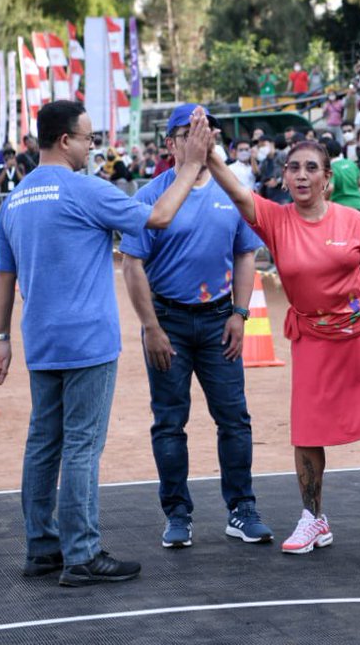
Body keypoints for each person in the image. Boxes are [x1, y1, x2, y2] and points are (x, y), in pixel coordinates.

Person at [0, 100, 212, 587]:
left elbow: (4, 274)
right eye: (88, 138)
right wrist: (190, 165)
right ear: (64, 141)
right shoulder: (84, 190)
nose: (93, 146)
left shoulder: (16, 198)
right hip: (87, 339)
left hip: (41, 338)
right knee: (83, 446)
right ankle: (82, 553)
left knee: (43, 443)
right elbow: (159, 219)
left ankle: (41, 546)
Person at [202, 138, 360, 556]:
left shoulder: (354, 220)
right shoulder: (274, 219)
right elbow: (236, 190)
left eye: (311, 168)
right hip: (313, 339)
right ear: (285, 177)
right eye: (293, 168)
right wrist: (208, 155)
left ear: (327, 178)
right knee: (306, 430)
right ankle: (314, 519)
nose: (301, 175)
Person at [119, 105, 272, 551]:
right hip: (169, 321)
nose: (200, 139)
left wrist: (240, 314)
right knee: (169, 422)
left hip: (218, 319)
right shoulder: (152, 195)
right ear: (170, 143)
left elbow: (247, 254)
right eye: (189, 132)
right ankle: (178, 514)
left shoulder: (230, 191)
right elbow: (133, 266)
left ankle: (242, 509)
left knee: (234, 418)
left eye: (207, 131)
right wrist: (152, 327)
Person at [326, 139, 360, 213]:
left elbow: (330, 188)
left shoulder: (332, 168)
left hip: (341, 206)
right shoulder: (351, 163)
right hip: (358, 204)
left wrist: (325, 202)